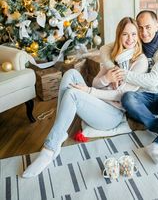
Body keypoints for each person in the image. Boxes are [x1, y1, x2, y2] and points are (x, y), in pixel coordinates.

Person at [22, 17, 148, 178]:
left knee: (73, 94)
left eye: (133, 34)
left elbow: (121, 95)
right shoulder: (112, 55)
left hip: (113, 115)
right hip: (96, 104)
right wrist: (106, 79)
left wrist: (88, 91)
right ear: (119, 36)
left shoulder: (140, 61)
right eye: (125, 34)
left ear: (138, 36)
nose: (130, 39)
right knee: (71, 74)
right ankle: (58, 135)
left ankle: (49, 149)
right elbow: (95, 83)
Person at [100, 10, 158, 165]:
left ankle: (157, 144)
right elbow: (104, 49)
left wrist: (123, 74)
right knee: (127, 97)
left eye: (148, 27)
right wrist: (113, 70)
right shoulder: (136, 43)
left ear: (157, 26)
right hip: (141, 97)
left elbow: (152, 81)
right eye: (140, 28)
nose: (144, 33)